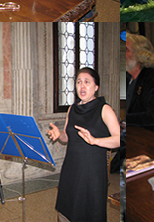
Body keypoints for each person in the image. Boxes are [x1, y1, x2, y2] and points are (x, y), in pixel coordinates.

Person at [47, 67, 120, 222]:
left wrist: (95, 141)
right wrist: (60, 134)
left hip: (92, 172)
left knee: (89, 211)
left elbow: (119, 139)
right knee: (67, 208)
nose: (82, 86)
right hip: (71, 168)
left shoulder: (104, 109)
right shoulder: (72, 109)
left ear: (96, 87)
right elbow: (68, 137)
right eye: (79, 82)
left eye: (87, 82)